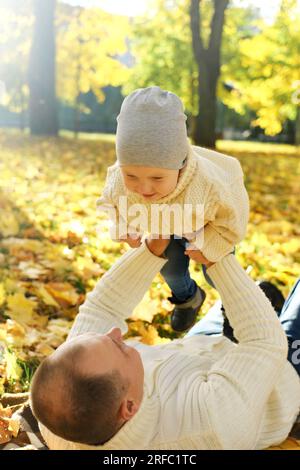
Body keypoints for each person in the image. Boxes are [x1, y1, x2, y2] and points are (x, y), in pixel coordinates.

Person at [30, 238, 300, 450]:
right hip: (276, 374)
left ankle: (261, 303)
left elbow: (101, 308)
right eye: (121, 348)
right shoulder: (211, 426)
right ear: (129, 407)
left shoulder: (57, 414)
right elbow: (265, 342)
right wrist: (220, 262)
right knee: (259, 309)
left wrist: (151, 249)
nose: (115, 333)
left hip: (198, 351)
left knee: (253, 293)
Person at [97, 86, 249, 332]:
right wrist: (123, 225)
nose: (144, 187)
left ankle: (232, 306)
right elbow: (109, 203)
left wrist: (211, 244)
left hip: (206, 226)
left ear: (179, 165)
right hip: (164, 227)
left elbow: (233, 218)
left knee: (217, 271)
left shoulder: (209, 184)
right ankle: (189, 299)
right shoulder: (117, 180)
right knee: (170, 270)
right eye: (131, 175)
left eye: (157, 178)